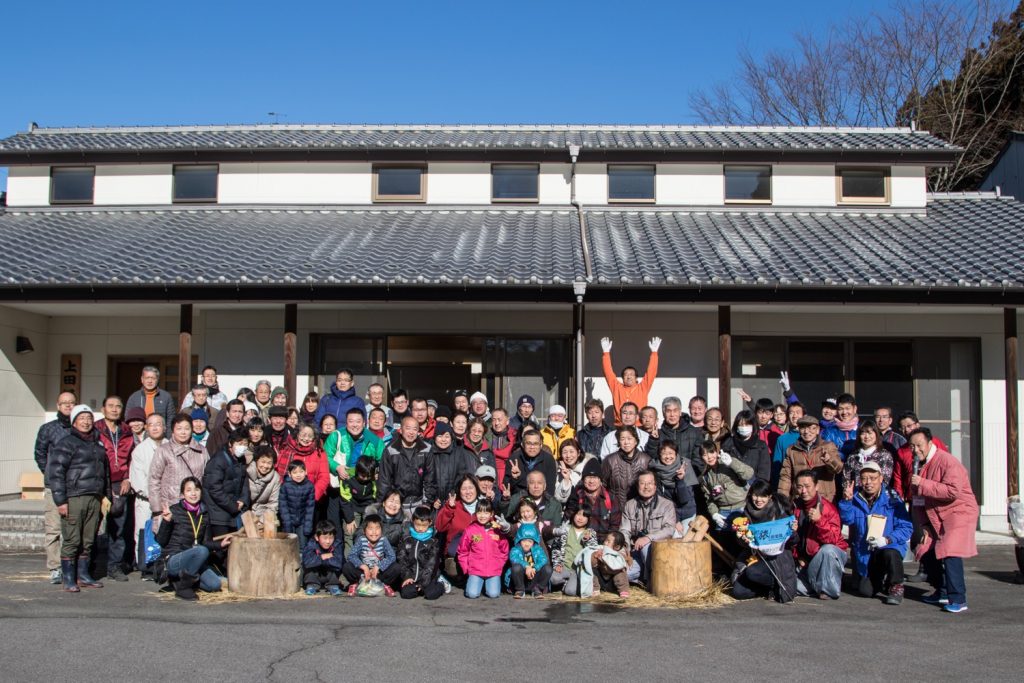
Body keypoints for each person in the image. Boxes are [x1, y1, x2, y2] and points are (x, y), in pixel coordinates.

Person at [909, 428, 979, 614]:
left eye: (919, 445)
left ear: (930, 443)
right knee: (925, 549)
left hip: (959, 512)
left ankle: (958, 598)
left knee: (950, 551)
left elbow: (952, 491)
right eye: (912, 446)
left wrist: (923, 484)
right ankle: (942, 590)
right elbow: (918, 501)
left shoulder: (947, 461)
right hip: (935, 515)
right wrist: (924, 525)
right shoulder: (918, 466)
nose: (916, 450)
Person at [47, 404, 109, 592]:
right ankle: (68, 578)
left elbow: (105, 473)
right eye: (81, 418)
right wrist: (61, 501)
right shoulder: (66, 443)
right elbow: (56, 473)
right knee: (72, 539)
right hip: (74, 497)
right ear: (74, 422)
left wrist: (105, 495)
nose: (86, 422)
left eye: (89, 418)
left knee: (88, 539)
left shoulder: (98, 443)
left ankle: (83, 575)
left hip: (94, 497)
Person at [838, 461, 913, 605]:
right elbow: (847, 520)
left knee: (890, 553)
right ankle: (882, 581)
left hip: (888, 547)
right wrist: (846, 501)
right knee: (866, 591)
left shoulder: (892, 499)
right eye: (864, 478)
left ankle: (896, 586)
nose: (868, 482)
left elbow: (906, 527)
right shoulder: (855, 497)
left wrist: (888, 539)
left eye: (872, 478)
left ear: (880, 479)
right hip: (866, 553)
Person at [154, 477, 231, 600]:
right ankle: (183, 588)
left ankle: (178, 582)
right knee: (201, 551)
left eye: (196, 489)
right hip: (174, 558)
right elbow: (161, 541)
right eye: (189, 490)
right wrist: (166, 522)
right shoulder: (174, 510)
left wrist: (220, 544)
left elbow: (205, 542)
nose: (193, 493)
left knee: (214, 585)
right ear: (183, 494)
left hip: (194, 559)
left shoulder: (204, 513)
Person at [730, 481, 798, 603]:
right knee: (737, 592)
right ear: (750, 495)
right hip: (755, 557)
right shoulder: (746, 513)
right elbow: (741, 542)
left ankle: (775, 585)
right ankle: (766, 590)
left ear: (770, 496)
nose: (758, 500)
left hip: (776, 559)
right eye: (755, 495)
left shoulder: (779, 511)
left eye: (763, 496)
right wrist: (743, 540)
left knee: (752, 572)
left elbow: (793, 541)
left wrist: (792, 531)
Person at [33, 391, 75, 584]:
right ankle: (55, 567)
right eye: (64, 403)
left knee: (73, 529)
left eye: (71, 403)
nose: (68, 406)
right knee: (53, 529)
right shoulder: (48, 429)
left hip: (75, 486)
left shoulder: (81, 428)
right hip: (54, 486)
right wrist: (50, 472)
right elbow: (39, 453)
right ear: (58, 405)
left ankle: (71, 564)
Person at [792, 469, 848, 599]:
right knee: (789, 586)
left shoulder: (827, 508)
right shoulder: (795, 507)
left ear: (816, 486)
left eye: (807, 486)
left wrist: (819, 521)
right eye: (800, 487)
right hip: (805, 561)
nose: (803, 491)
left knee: (828, 550)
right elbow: (793, 541)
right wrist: (798, 556)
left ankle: (827, 589)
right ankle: (816, 585)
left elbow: (834, 539)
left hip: (826, 556)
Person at [149, 413, 210, 529]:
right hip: (170, 506)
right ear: (173, 431)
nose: (183, 432)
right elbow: (154, 480)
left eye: (187, 428)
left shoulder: (202, 451)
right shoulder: (164, 450)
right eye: (179, 429)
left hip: (195, 506)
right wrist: (157, 509)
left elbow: (207, 478)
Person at [620, 470, 676, 584]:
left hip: (658, 552)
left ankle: (652, 581)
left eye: (650, 483)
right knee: (624, 576)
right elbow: (624, 530)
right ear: (637, 486)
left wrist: (648, 538)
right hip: (635, 551)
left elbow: (669, 530)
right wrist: (626, 551)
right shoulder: (629, 505)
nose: (646, 487)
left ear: (655, 486)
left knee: (646, 547)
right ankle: (643, 577)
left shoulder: (667, 505)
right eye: (642, 483)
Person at [129, 413, 165, 579]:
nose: (156, 427)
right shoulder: (140, 451)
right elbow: (139, 481)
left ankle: (162, 566)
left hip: (166, 501)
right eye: (152, 424)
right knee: (144, 533)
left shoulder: (170, 445)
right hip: (146, 500)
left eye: (159, 424)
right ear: (146, 428)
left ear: (164, 427)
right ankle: (146, 568)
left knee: (164, 533)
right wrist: (155, 497)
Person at [778, 416, 842, 502]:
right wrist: (782, 499)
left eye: (811, 428)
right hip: (800, 498)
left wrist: (828, 460)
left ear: (818, 430)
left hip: (824, 498)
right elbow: (785, 477)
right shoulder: (792, 450)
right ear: (799, 430)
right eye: (803, 428)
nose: (807, 431)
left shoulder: (828, 446)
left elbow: (838, 469)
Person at [600, 336, 661, 425]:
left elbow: (651, 372)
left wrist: (654, 353)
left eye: (631, 375)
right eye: (626, 375)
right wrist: (606, 353)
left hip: (639, 426)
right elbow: (608, 372)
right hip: (620, 427)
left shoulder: (642, 387)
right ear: (622, 378)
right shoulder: (617, 388)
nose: (629, 377)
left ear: (636, 378)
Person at [378, 415, 432, 515]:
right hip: (397, 504)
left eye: (415, 429)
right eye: (408, 428)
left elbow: (430, 478)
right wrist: (385, 503)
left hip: (419, 503)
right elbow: (384, 480)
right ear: (401, 430)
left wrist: (427, 503)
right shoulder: (391, 450)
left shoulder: (426, 449)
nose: (411, 432)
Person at [202, 429, 251, 539]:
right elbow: (214, 488)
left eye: (245, 444)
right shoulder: (218, 460)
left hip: (234, 511)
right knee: (222, 547)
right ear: (230, 443)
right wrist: (233, 506)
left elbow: (244, 482)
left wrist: (243, 500)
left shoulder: (241, 459)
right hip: (218, 513)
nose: (242, 447)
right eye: (239, 443)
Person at [456, 498, 509, 599]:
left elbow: (504, 550)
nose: (482, 516)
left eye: (486, 512)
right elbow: (462, 551)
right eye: (479, 512)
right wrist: (466, 568)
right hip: (475, 570)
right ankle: (476, 583)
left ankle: (487, 585)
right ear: (476, 513)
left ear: (491, 514)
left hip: (493, 570)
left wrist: (499, 564)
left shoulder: (497, 529)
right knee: (472, 594)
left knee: (493, 594)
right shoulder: (470, 529)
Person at [436, 474, 484, 580]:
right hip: (456, 552)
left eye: (471, 488)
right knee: (455, 573)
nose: (468, 492)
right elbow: (440, 527)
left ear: (476, 488)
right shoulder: (453, 505)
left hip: (479, 551)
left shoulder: (483, 506)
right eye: (464, 489)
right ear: (459, 491)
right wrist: (449, 509)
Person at [699, 440, 753, 530]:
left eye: (711, 452)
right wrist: (714, 514)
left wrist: (731, 463)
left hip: (741, 507)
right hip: (723, 511)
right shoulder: (705, 477)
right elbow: (709, 499)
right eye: (705, 455)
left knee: (743, 538)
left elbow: (749, 474)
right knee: (722, 540)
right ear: (701, 458)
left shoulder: (728, 462)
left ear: (716, 452)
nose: (709, 457)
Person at [563, 459, 621, 540]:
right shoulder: (576, 496)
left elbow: (615, 526)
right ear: (583, 480)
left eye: (595, 477)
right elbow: (567, 520)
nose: (591, 481)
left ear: (600, 480)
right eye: (588, 477)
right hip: (579, 539)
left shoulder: (611, 499)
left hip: (602, 541)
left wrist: (607, 543)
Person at [343, 514, 400, 597]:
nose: (374, 532)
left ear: (381, 530)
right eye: (370, 528)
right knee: (347, 566)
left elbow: (391, 556)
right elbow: (352, 555)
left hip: (378, 573)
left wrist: (378, 567)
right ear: (364, 530)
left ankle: (384, 584)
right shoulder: (361, 540)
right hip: (363, 574)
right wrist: (363, 566)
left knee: (396, 567)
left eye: (377, 528)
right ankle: (355, 584)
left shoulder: (383, 540)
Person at [397, 506, 446, 600]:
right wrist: (407, 577)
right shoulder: (407, 539)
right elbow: (402, 559)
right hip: (412, 576)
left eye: (424, 525)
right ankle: (416, 587)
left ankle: (441, 584)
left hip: (428, 577)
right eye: (417, 524)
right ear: (412, 521)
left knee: (430, 594)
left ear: (430, 523)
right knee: (406, 593)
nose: (420, 528)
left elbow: (431, 565)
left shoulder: (433, 541)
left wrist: (423, 583)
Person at [549, 505, 600, 594]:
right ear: (573, 515)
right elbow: (556, 548)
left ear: (588, 519)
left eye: (584, 516)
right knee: (553, 579)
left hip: (578, 570)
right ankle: (566, 581)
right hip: (564, 567)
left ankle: (568, 584)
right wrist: (557, 564)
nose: (580, 518)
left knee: (571, 591)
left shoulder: (590, 532)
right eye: (578, 514)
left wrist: (587, 540)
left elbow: (592, 551)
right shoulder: (564, 529)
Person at [648, 440, 696, 534]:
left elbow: (685, 499)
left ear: (676, 453)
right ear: (659, 455)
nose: (668, 457)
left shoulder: (685, 465)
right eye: (664, 454)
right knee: (674, 537)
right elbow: (661, 500)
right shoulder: (656, 470)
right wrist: (676, 520)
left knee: (686, 538)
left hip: (688, 511)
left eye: (671, 453)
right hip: (670, 513)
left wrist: (680, 480)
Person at [601, 426, 652, 514]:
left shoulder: (646, 460)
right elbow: (602, 486)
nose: (626, 442)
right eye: (622, 439)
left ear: (636, 441)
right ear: (618, 441)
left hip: (640, 510)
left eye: (629, 438)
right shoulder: (609, 460)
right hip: (615, 510)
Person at [425, 422, 476, 508]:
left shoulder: (459, 453)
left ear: (451, 438)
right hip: (433, 503)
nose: (443, 440)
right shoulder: (429, 453)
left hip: (453, 500)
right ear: (435, 438)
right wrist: (432, 499)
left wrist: (453, 495)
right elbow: (427, 478)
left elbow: (461, 477)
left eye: (447, 436)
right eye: (440, 436)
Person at [276, 423, 329, 502]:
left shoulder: (319, 451)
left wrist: (313, 496)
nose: (306, 438)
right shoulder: (287, 449)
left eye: (310, 436)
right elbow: (278, 473)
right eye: (303, 435)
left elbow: (324, 476)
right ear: (297, 434)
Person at [339, 456, 379, 552]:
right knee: (350, 532)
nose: (365, 478)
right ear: (357, 471)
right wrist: (349, 519)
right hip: (352, 507)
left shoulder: (374, 479)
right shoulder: (348, 479)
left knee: (369, 533)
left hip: (368, 506)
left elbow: (376, 497)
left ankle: (367, 558)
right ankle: (350, 562)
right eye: (363, 475)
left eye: (368, 476)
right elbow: (345, 499)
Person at [841, 419, 896, 488]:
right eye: (863, 433)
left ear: (876, 434)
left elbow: (885, 480)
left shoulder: (884, 455)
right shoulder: (853, 456)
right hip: (855, 496)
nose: (866, 437)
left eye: (870, 433)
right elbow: (846, 477)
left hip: (876, 496)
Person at [505, 429, 557, 497]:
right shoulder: (514, 459)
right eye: (528, 443)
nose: (532, 447)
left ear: (541, 445)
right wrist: (515, 478)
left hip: (541, 500)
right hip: (519, 500)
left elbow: (550, 489)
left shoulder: (548, 459)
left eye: (535, 444)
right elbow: (506, 487)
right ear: (522, 444)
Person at [724, 409, 771, 483]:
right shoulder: (728, 443)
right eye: (741, 424)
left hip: (753, 489)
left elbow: (764, 473)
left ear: (753, 426)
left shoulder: (761, 446)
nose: (744, 427)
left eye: (747, 424)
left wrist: (757, 489)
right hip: (731, 489)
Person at [505, 524, 551, 598]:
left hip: (534, 577)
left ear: (534, 542)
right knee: (516, 567)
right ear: (519, 540)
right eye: (524, 541)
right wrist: (527, 566)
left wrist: (534, 568)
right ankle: (519, 590)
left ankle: (537, 589)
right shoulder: (515, 549)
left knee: (548, 568)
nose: (526, 544)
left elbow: (543, 559)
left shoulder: (538, 549)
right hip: (521, 579)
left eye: (529, 541)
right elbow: (514, 558)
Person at [280, 460, 315, 551]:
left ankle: (302, 564)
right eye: (295, 472)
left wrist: (308, 526)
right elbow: (283, 507)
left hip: (302, 522)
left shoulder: (309, 486)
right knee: (288, 546)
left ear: (306, 472)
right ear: (289, 473)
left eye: (301, 471)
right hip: (289, 521)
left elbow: (310, 508)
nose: (298, 475)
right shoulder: (285, 486)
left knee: (302, 547)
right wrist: (287, 524)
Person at [302, 520, 344, 596]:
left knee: (334, 567)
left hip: (330, 575)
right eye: (325, 538)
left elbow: (338, 563)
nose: (328, 541)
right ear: (316, 537)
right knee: (310, 567)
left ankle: (333, 585)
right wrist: (322, 557)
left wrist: (323, 561)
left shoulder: (337, 544)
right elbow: (307, 562)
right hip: (315, 575)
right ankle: (312, 585)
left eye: (331, 538)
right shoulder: (311, 544)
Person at [771, 402, 806, 487]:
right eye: (791, 413)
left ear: (804, 415)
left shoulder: (810, 436)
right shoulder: (782, 439)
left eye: (798, 412)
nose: (794, 416)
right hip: (788, 484)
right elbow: (777, 466)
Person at [553, 438, 596, 504]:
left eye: (571, 452)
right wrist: (566, 480)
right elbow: (560, 498)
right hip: (569, 508)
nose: (568, 456)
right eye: (564, 452)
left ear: (578, 453)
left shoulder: (588, 466)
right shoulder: (559, 470)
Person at [246, 446, 280, 523]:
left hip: (263, 517)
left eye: (269, 463)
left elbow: (273, 504)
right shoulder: (246, 471)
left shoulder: (275, 478)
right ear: (257, 460)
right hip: (245, 516)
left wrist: (261, 521)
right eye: (263, 462)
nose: (265, 466)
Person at [487, 408, 516, 484]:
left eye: (500, 420)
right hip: (490, 474)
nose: (496, 423)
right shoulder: (486, 435)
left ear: (507, 421)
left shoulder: (514, 436)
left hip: (509, 474)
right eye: (494, 420)